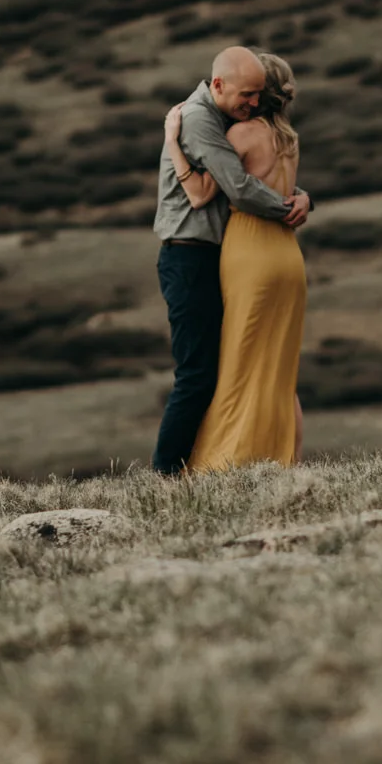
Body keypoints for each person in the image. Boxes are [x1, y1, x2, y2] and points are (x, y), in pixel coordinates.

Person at [152, 46, 310, 474]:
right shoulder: (276, 136)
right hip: (266, 251)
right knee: (272, 367)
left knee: (227, 368)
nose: (251, 102)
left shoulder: (236, 130)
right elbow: (244, 185)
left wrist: (170, 142)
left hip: (244, 250)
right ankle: (283, 460)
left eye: (256, 94)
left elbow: (212, 191)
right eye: (247, 94)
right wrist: (296, 202)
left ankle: (199, 466)